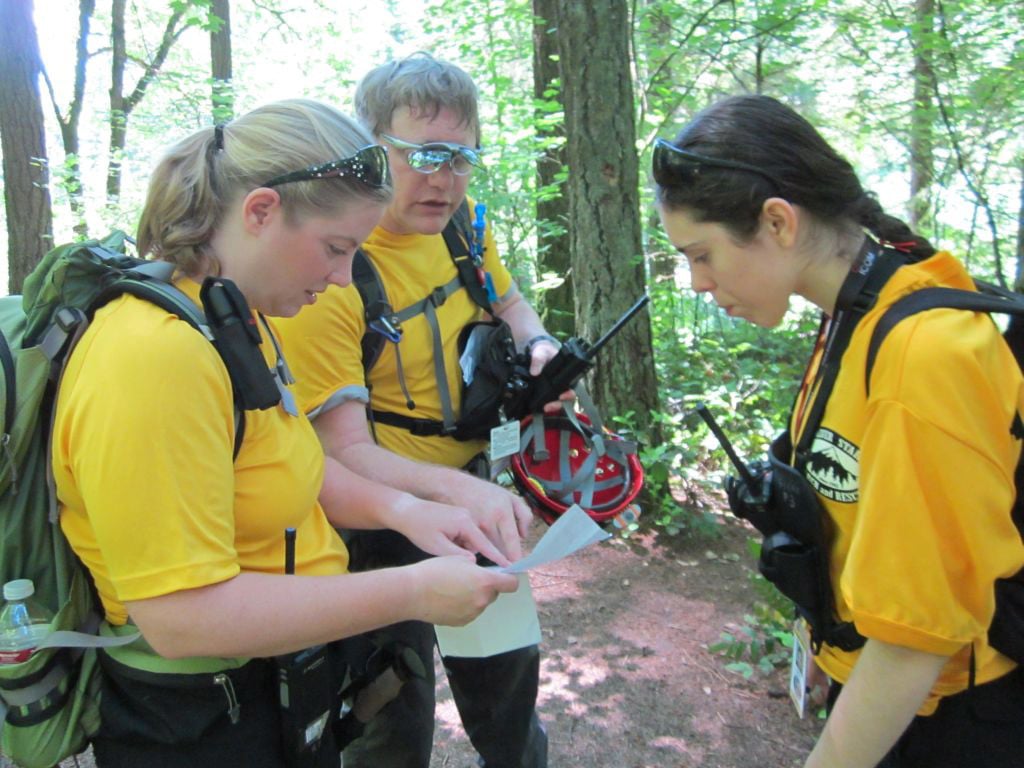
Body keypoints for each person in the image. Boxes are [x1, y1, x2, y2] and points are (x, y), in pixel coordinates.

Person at [51, 98, 520, 768]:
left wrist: (408, 510)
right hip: (198, 722)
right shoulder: (153, 355)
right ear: (261, 211)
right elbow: (181, 616)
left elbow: (284, 459)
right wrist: (412, 592)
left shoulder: (231, 317)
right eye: (336, 249)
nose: (339, 279)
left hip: (273, 690)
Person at [652, 94, 1024, 768]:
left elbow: (917, 637)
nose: (697, 282)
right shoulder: (852, 316)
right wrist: (825, 634)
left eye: (701, 255)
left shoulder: (922, 353)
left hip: (953, 722)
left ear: (777, 222)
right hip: (883, 693)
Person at [276, 54, 551, 768]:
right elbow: (341, 451)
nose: (444, 178)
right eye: (423, 154)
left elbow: (509, 301)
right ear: (374, 150)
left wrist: (541, 346)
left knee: (509, 698)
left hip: (478, 501)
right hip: (379, 525)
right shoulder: (333, 273)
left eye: (462, 156)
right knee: (389, 722)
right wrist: (456, 496)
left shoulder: (464, 229)